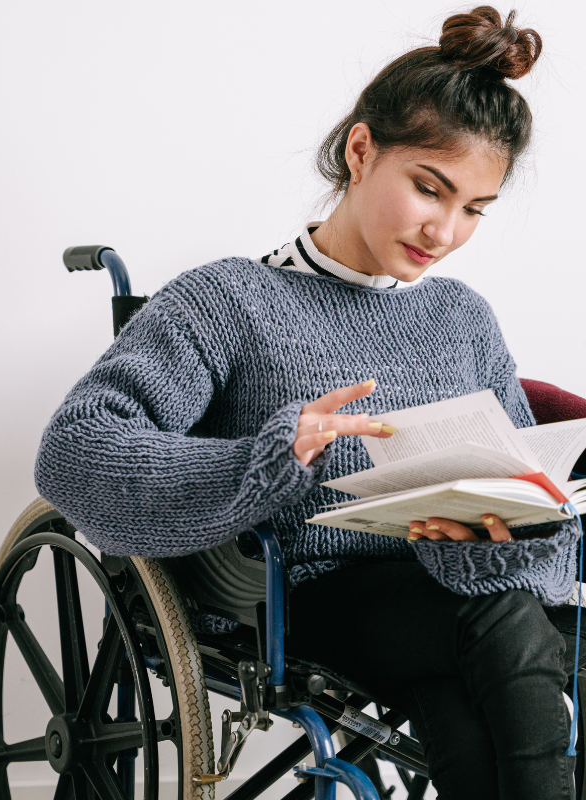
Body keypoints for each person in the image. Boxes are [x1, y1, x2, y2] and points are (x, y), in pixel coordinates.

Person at [34, 6, 582, 798]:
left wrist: (500, 526)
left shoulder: (462, 316)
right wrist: (271, 457)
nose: (445, 231)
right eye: (430, 188)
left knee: (472, 708)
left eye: (472, 209)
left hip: (448, 602)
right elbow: (76, 449)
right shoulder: (227, 299)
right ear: (362, 150)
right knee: (500, 619)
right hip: (306, 595)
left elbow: (524, 488)